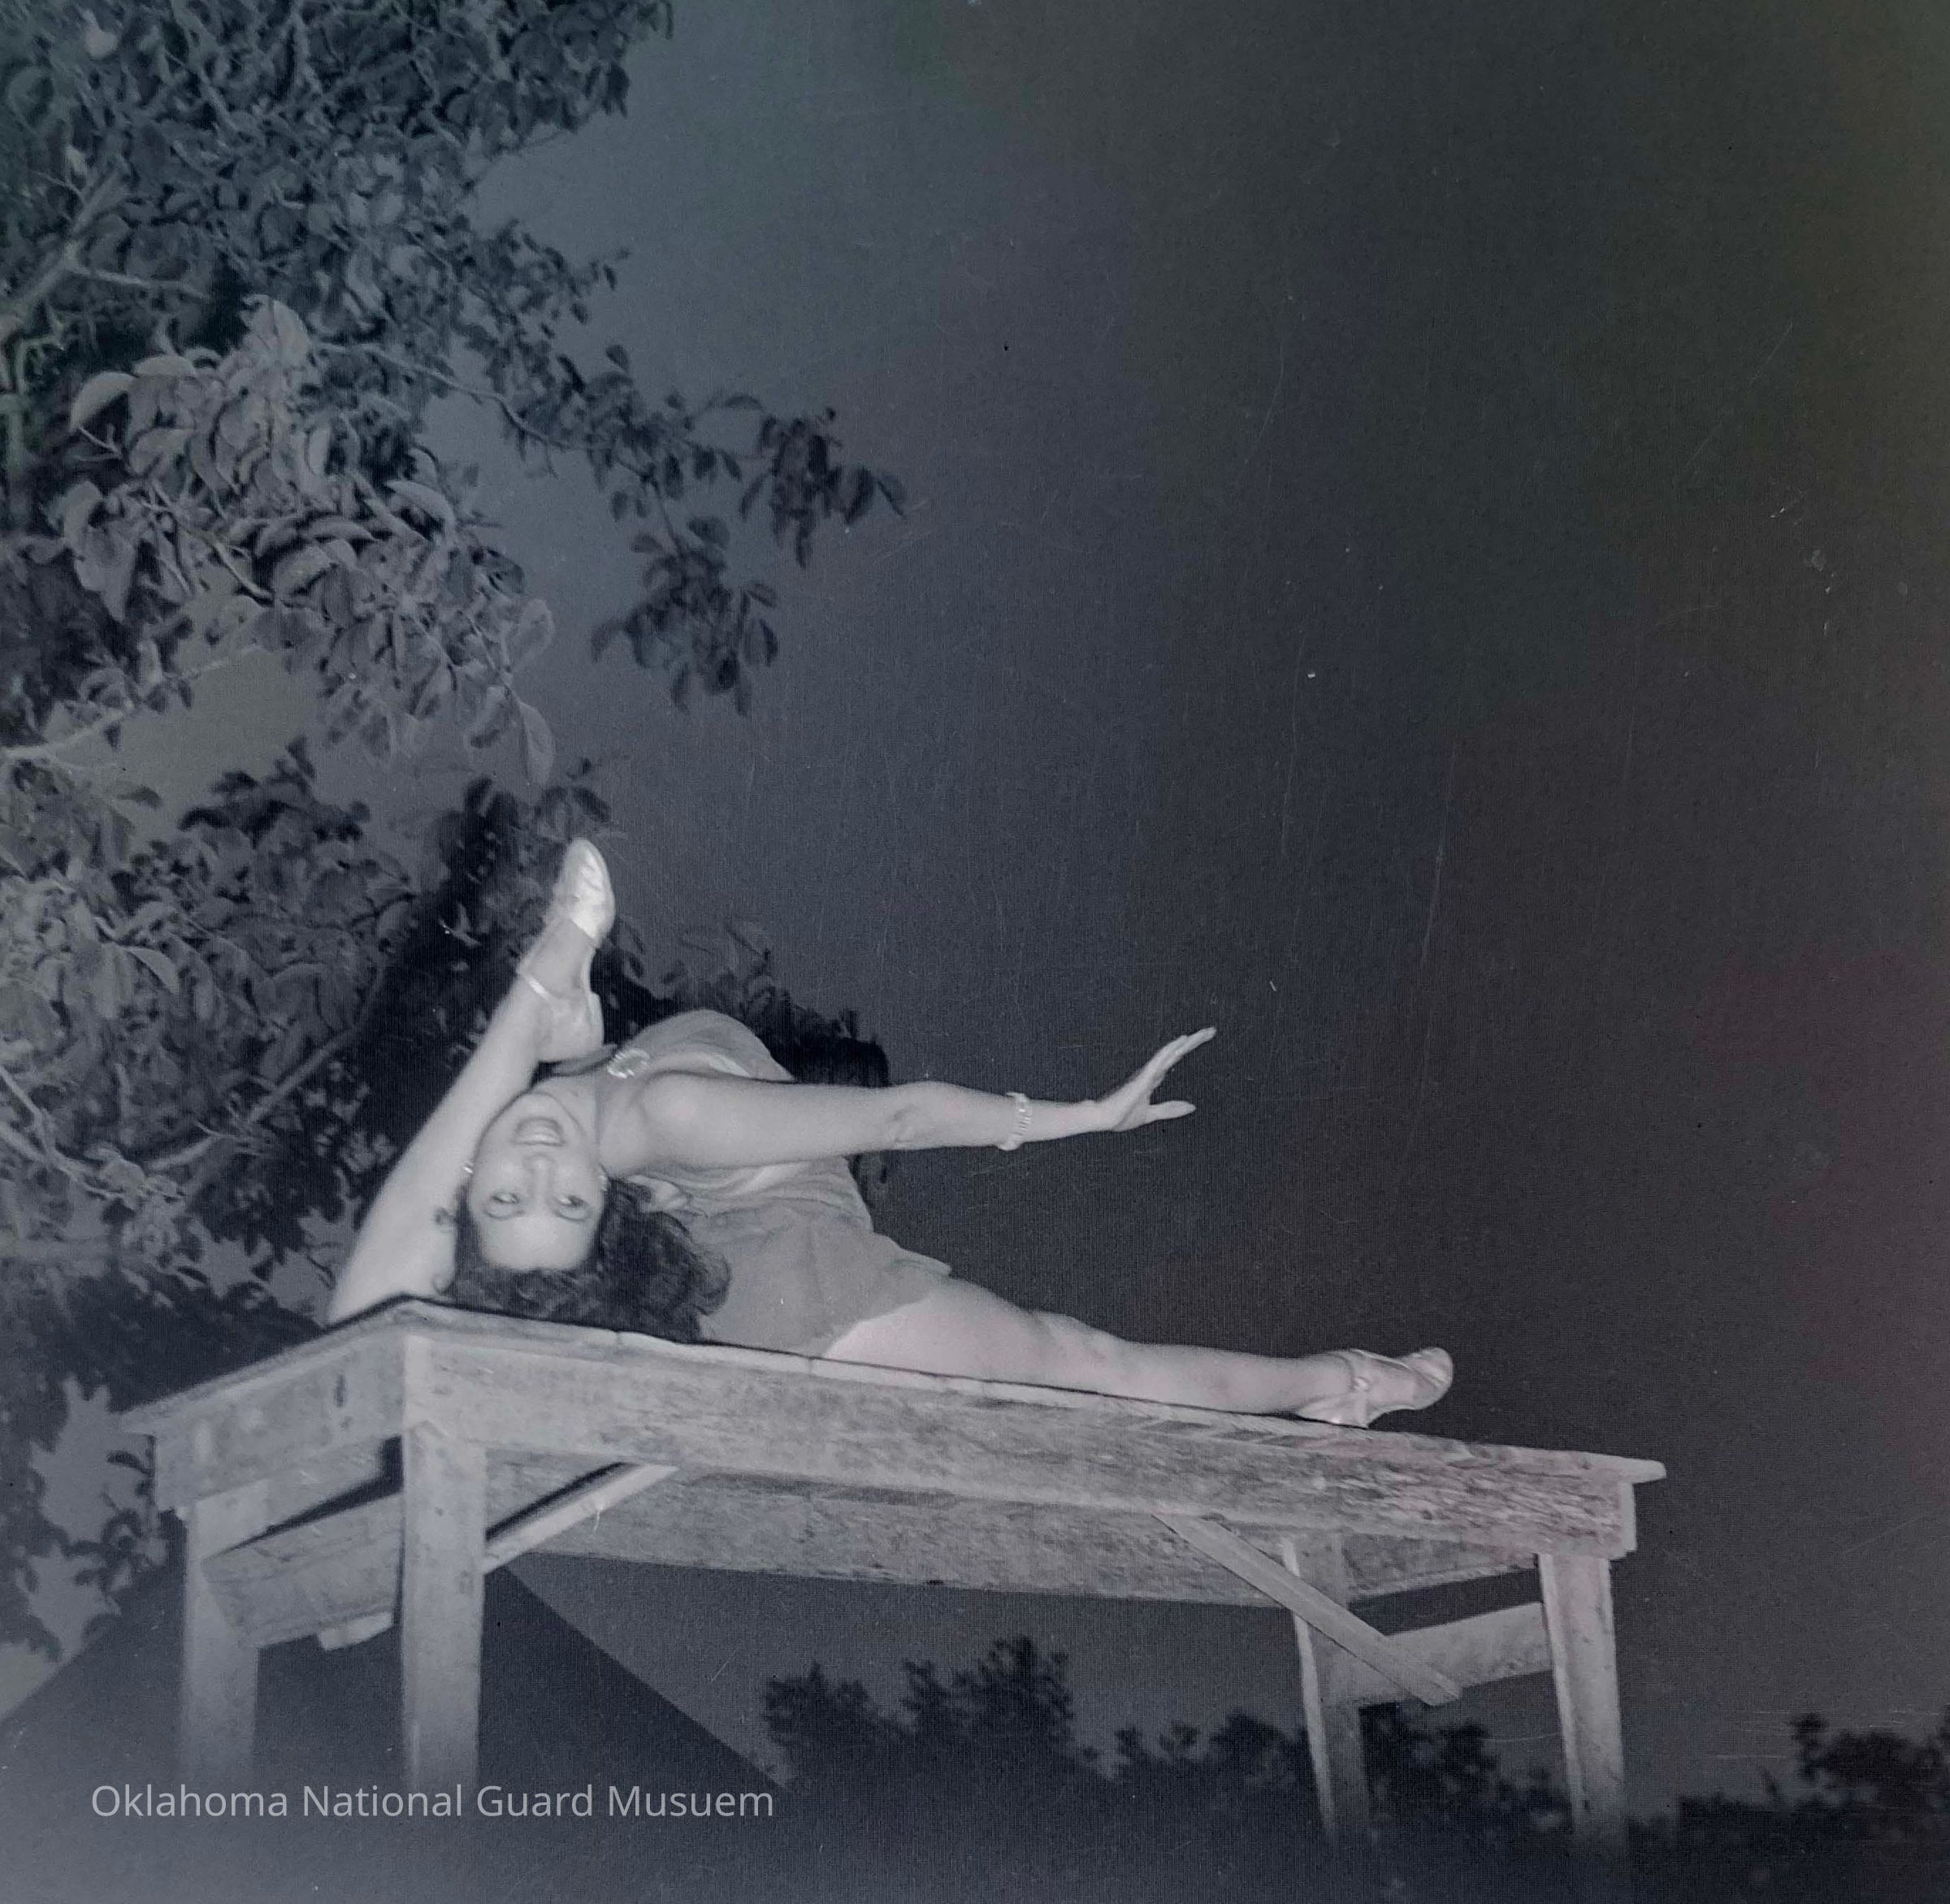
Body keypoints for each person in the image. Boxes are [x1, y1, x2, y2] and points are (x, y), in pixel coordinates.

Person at [329, 841, 1454, 1424]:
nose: (536, 1165)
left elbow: (371, 1298)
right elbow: (903, 1116)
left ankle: (550, 1004)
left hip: (699, 1215)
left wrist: (539, 1021)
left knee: (390, 1294)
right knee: (1083, 1362)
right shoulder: (666, 1112)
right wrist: (1086, 1116)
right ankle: (1344, 1380)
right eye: (565, 1200)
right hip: (785, 1283)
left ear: (466, 1183)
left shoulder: (529, 1119)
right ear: (607, 1196)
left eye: (508, 1193)